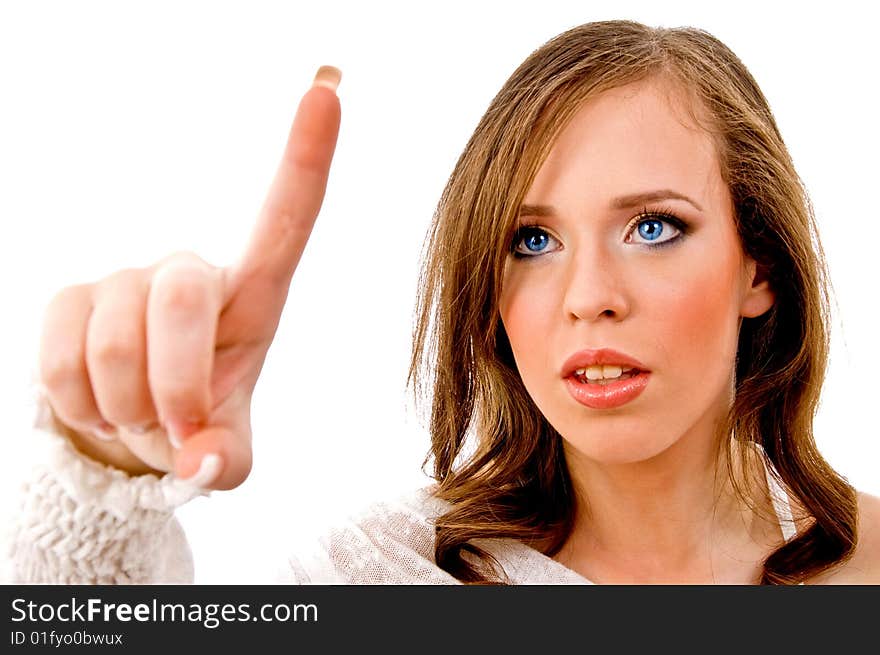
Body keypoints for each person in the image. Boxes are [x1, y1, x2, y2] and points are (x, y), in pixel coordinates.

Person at [4, 19, 878, 585]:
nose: (589, 298)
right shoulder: (381, 579)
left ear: (758, 268)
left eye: (653, 226)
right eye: (530, 241)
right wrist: (100, 479)